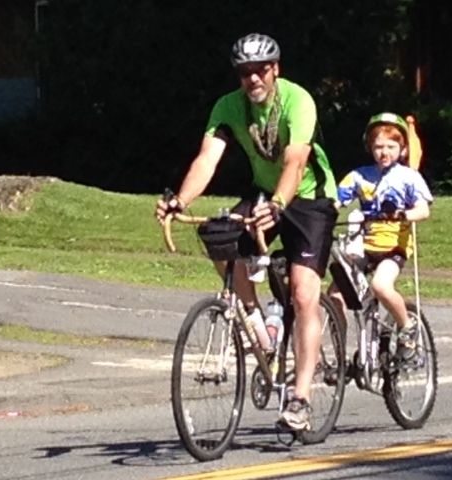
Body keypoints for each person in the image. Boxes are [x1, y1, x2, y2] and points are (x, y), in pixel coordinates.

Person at [155, 33, 338, 431]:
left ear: (275, 69)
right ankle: (257, 324)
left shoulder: (298, 101)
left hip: (310, 199)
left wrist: (278, 205)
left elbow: (295, 162)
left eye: (260, 70)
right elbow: (207, 160)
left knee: (304, 294)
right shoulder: (228, 107)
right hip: (264, 193)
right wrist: (179, 201)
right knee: (218, 237)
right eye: (244, 72)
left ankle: (301, 399)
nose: (253, 78)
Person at [330, 112, 433, 360]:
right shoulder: (359, 176)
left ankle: (407, 326)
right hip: (363, 246)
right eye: (378, 147)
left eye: (391, 146)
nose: (384, 152)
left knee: (381, 286)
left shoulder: (409, 177)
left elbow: (423, 210)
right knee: (334, 295)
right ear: (370, 148)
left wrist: (404, 214)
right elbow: (335, 201)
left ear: (403, 148)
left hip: (393, 249)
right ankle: (340, 353)